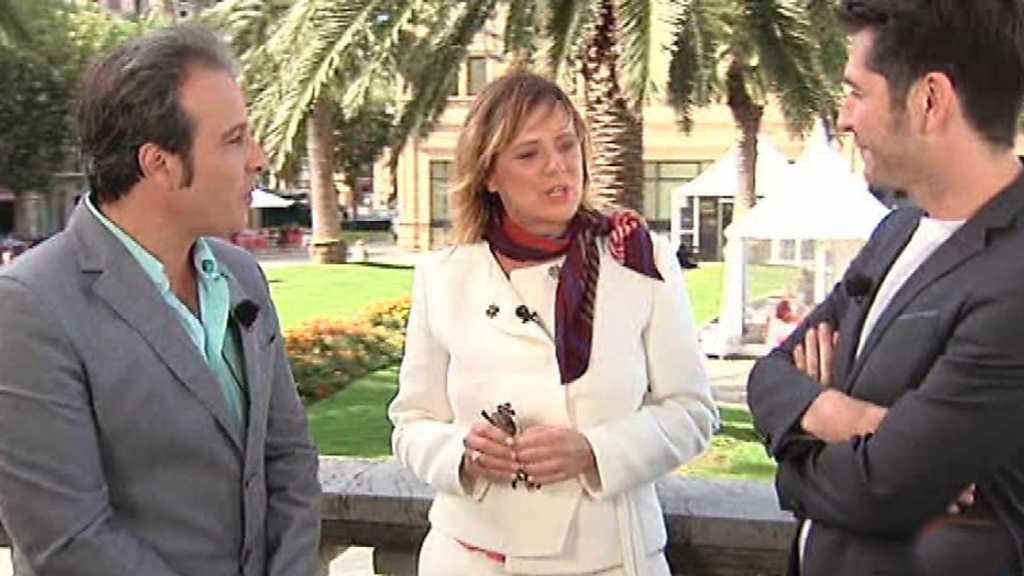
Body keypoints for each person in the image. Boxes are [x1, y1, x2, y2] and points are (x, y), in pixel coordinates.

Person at [0, 25, 321, 575]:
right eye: (234, 139)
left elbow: (288, 458)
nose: (259, 158)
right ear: (160, 164)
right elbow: (70, 540)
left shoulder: (242, 276)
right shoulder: (30, 306)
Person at [388, 71, 717, 576]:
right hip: (470, 558)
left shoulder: (639, 262)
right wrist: (462, 453)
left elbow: (693, 413)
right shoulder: (444, 276)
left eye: (566, 144)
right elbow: (411, 423)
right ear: (489, 175)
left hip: (608, 560)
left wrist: (595, 451)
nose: (557, 165)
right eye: (528, 154)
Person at [746, 2, 1024, 575]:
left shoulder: (1013, 280)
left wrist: (791, 467)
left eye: (857, 92)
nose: (844, 118)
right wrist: (838, 415)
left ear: (930, 100)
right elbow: (768, 376)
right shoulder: (896, 231)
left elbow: (883, 489)